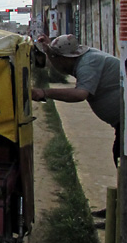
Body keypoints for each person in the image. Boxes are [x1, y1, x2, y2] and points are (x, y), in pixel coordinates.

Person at [31, 34, 121, 223]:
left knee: (122, 159)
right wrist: (48, 48)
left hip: (126, 122)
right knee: (119, 158)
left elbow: (80, 94)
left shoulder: (88, 64)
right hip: (122, 123)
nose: (51, 64)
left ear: (64, 59)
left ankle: (122, 215)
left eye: (53, 59)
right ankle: (119, 209)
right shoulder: (84, 59)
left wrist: (45, 92)